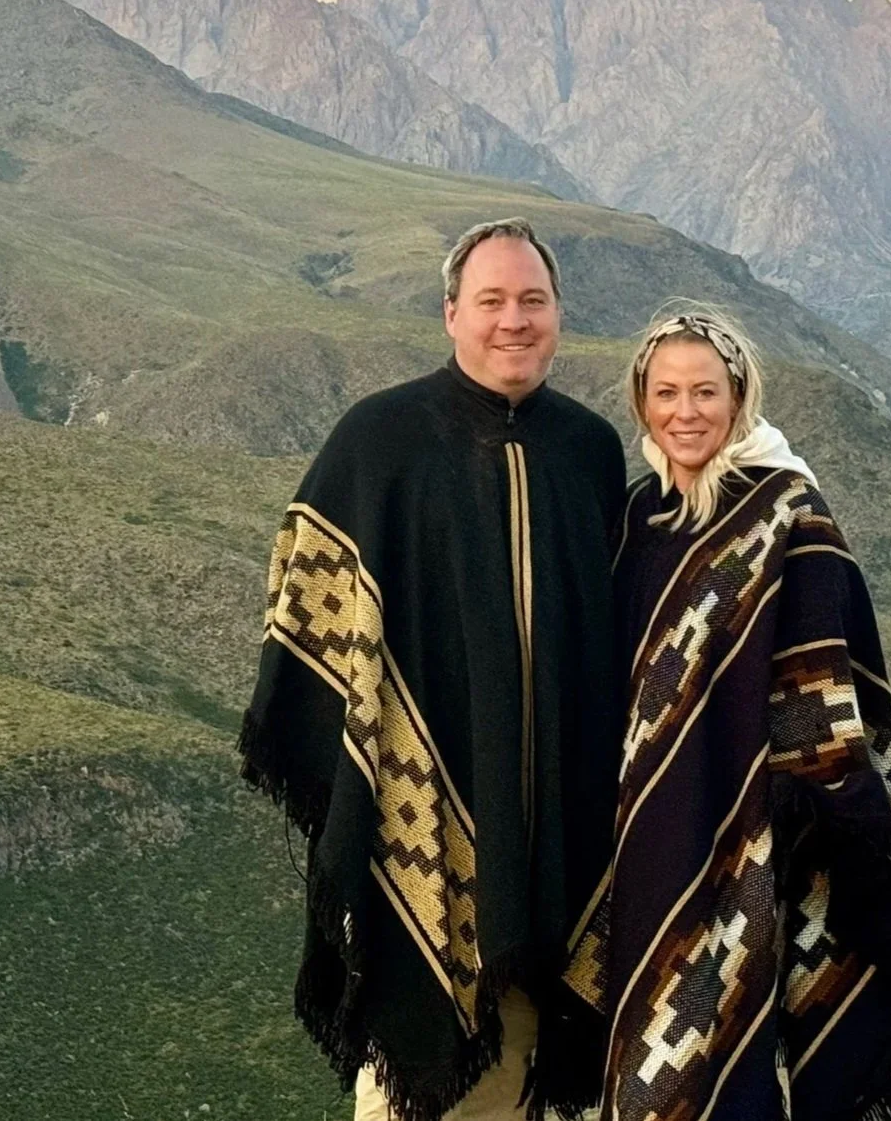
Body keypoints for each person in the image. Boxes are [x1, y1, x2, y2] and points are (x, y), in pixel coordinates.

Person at [238, 218, 627, 1121]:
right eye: (490, 301)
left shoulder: (592, 452)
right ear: (450, 313)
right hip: (427, 863)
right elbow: (303, 615)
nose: (513, 321)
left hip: (564, 860)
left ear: (560, 315)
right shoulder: (380, 444)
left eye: (533, 301)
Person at [564, 306, 891, 1121]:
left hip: (747, 837)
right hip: (646, 829)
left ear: (740, 397)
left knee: (724, 1039)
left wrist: (840, 821)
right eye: (665, 393)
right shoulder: (641, 516)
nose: (685, 412)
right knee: (650, 1045)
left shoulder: (790, 514)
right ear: (642, 403)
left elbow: (821, 680)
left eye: (705, 392)